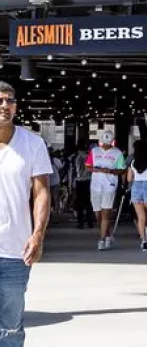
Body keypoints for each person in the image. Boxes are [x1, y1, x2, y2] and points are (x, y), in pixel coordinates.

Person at [0, 81, 52, 347]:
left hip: (14, 251)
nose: (5, 106)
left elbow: (41, 192)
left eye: (10, 101)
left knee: (10, 327)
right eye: (0, 101)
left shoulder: (32, 143)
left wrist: (37, 235)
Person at [86, 129, 125, 251]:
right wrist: (96, 169)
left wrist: (111, 171)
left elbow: (122, 169)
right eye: (104, 141)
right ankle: (108, 234)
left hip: (110, 185)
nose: (106, 143)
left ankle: (102, 240)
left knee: (105, 214)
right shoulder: (94, 151)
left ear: (112, 141)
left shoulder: (117, 153)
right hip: (95, 185)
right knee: (98, 214)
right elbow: (87, 166)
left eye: (108, 141)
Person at [72, 141, 94, 230]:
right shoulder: (89, 156)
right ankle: (90, 222)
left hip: (80, 181)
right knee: (88, 202)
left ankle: (80, 223)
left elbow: (76, 170)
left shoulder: (77, 158)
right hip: (89, 180)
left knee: (79, 203)